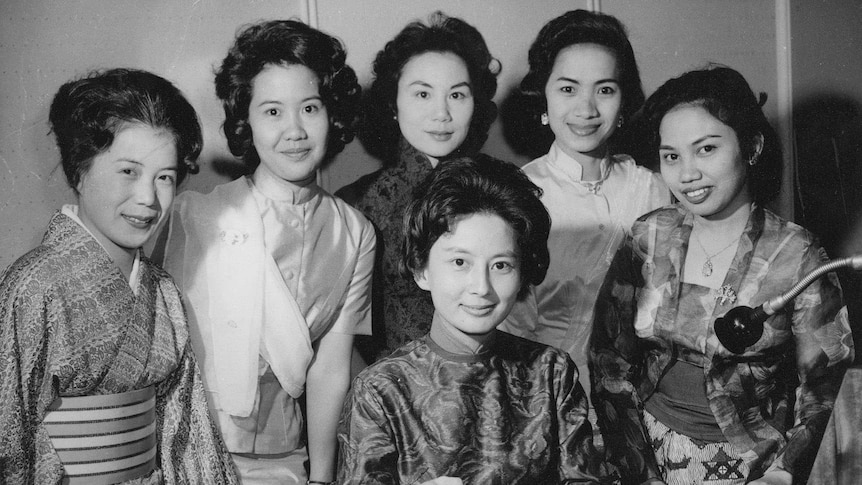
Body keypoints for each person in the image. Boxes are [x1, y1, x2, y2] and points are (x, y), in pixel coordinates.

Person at [590, 65, 854, 485]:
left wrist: (784, 472)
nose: (687, 173)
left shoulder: (799, 255)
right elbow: (608, 361)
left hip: (754, 464)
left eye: (706, 149)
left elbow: (820, 386)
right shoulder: (648, 236)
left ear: (750, 147)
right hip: (647, 449)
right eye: (671, 156)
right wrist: (639, 471)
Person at [157, 20, 373, 485]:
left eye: (310, 108)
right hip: (190, 450)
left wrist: (322, 477)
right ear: (246, 121)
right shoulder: (196, 216)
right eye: (272, 112)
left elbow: (330, 370)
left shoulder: (354, 232)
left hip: (287, 457)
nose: (294, 130)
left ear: (331, 115)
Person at [0, 68, 237, 484]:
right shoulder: (34, 285)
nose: (148, 198)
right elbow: (9, 440)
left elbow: (189, 435)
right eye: (128, 171)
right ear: (80, 170)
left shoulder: (161, 291)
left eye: (164, 177)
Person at [337, 157, 608, 484]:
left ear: (522, 273)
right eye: (460, 262)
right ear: (421, 269)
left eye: (501, 266)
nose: (481, 287)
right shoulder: (381, 389)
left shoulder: (551, 373)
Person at [498, 10, 669, 402]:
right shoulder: (517, 195)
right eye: (568, 89)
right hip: (549, 396)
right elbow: (512, 334)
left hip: (647, 397)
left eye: (604, 90)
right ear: (543, 95)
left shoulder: (653, 189)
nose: (586, 109)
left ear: (624, 100)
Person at [336, 11, 501, 363]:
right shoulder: (355, 205)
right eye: (422, 94)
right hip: (391, 396)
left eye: (457, 95)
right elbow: (342, 345)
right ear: (393, 104)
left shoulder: (499, 194)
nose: (441, 113)